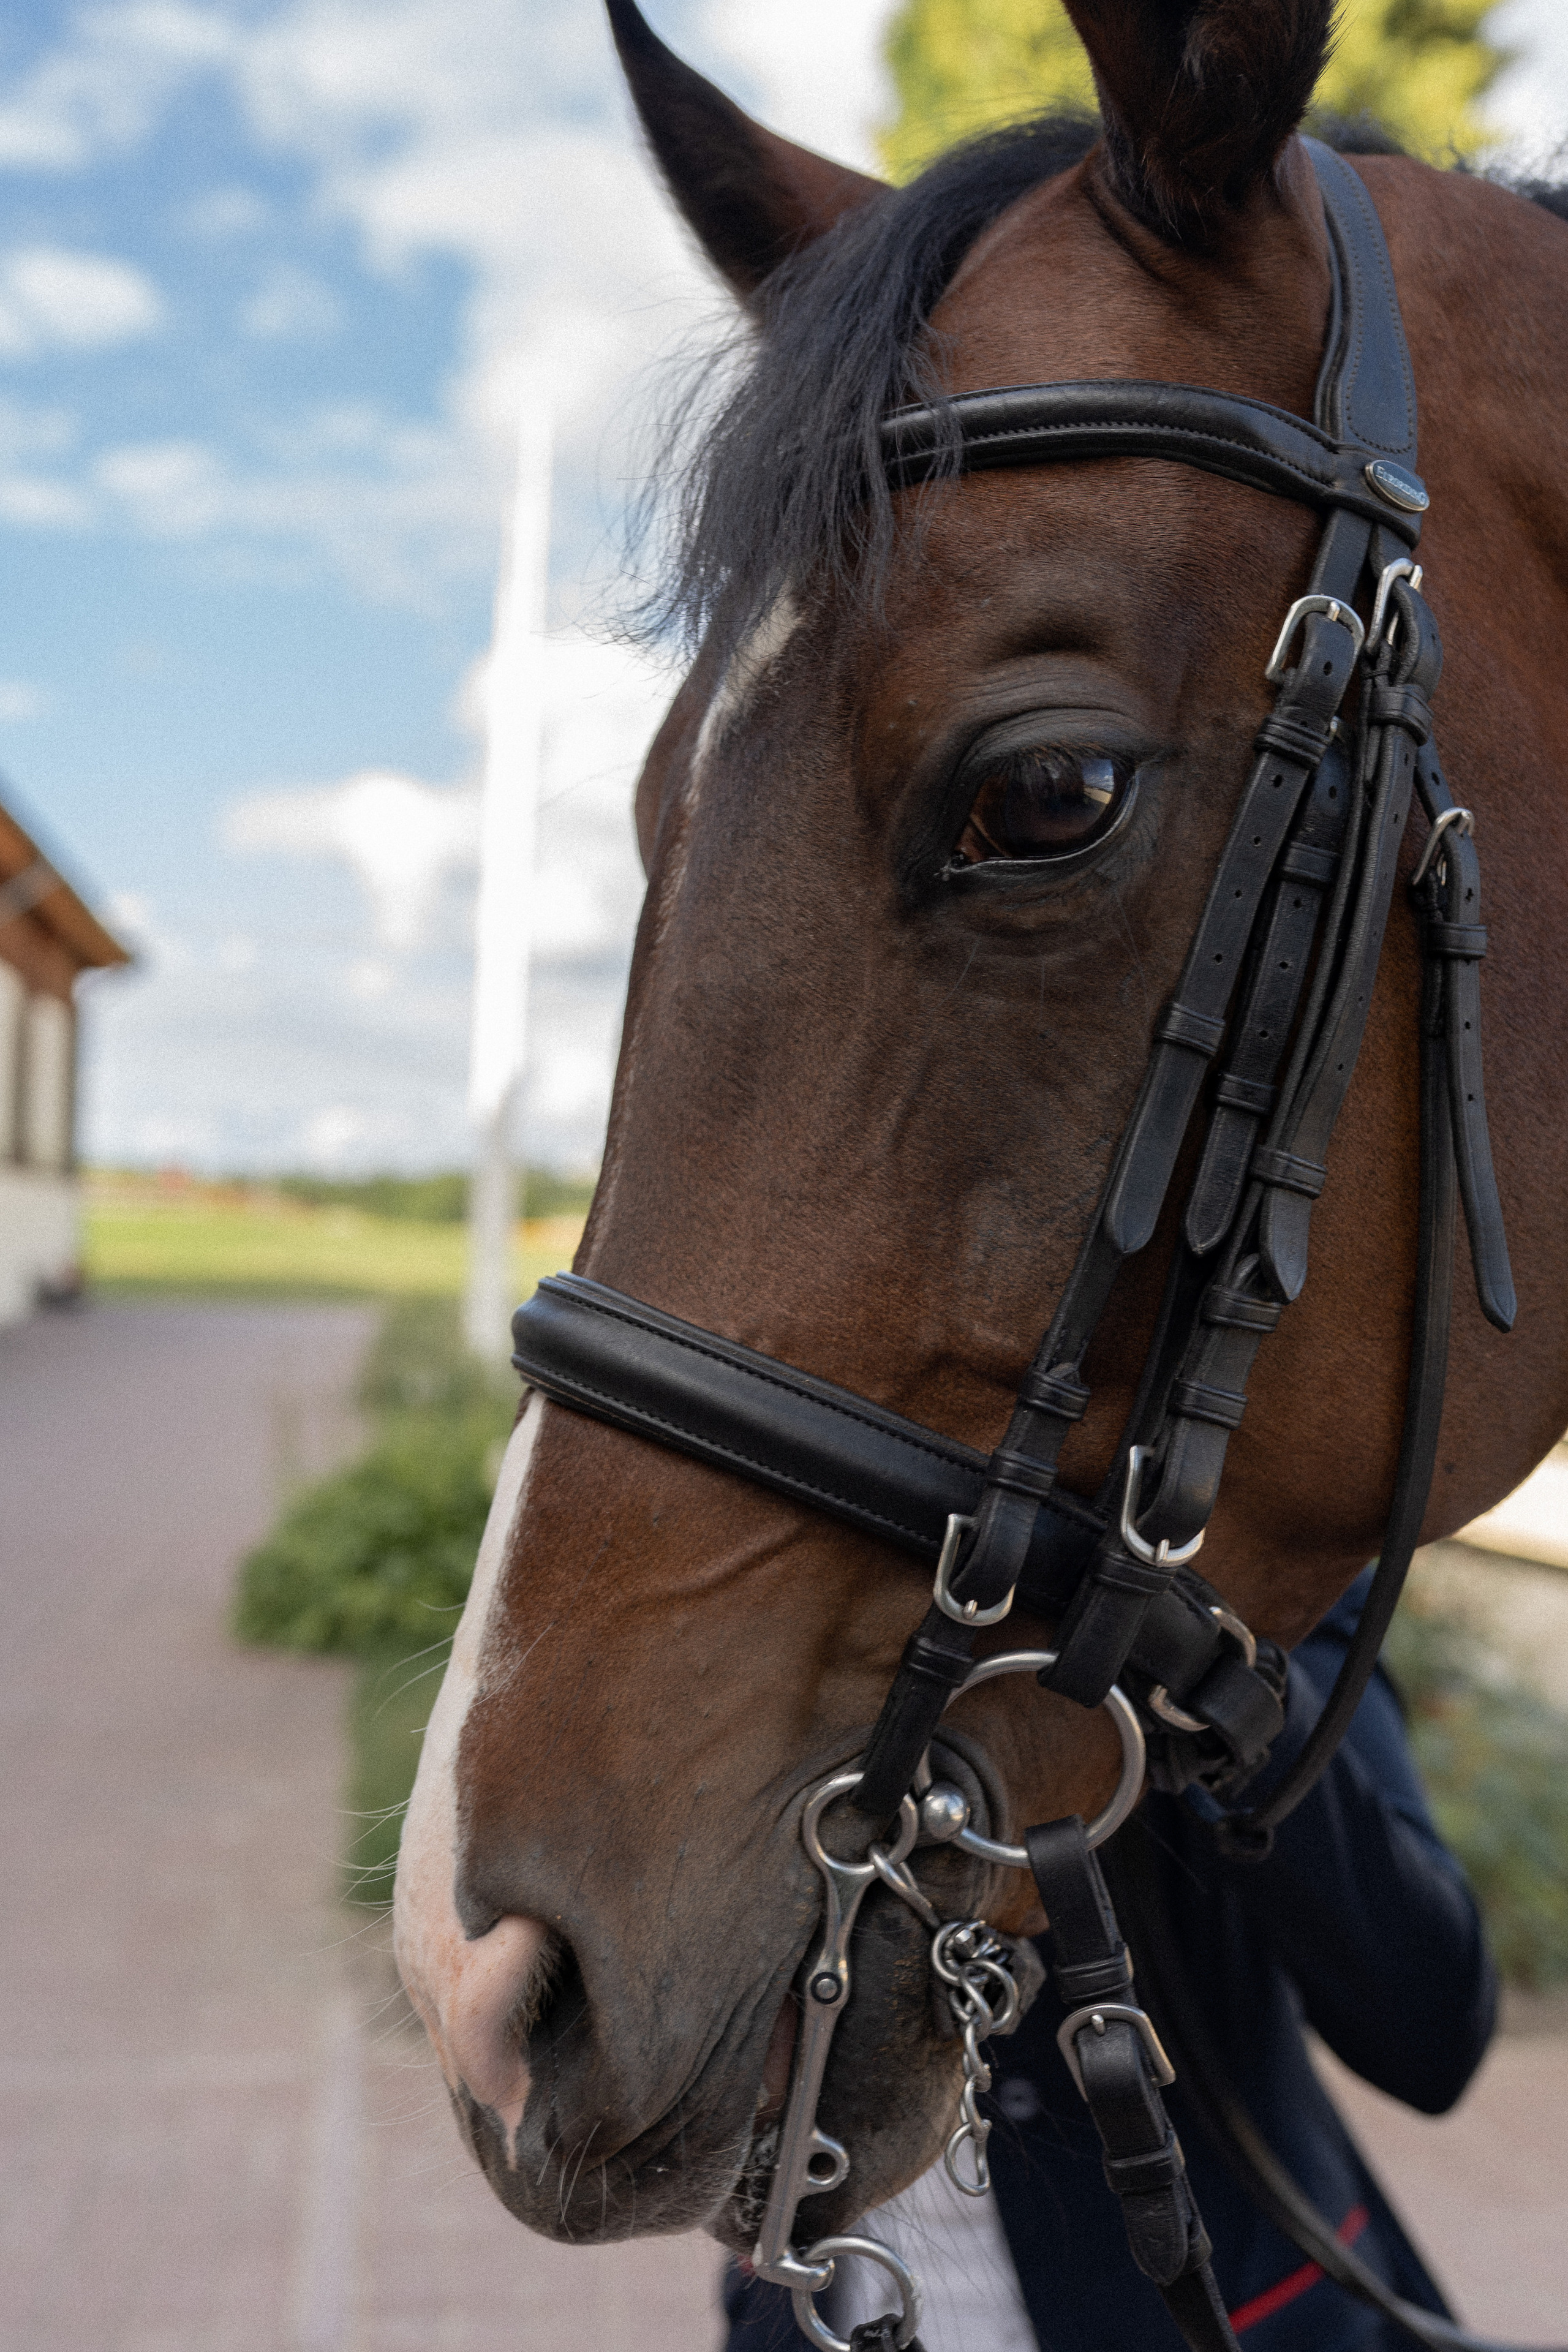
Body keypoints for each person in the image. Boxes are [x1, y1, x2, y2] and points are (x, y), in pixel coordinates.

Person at [723, 1568, 1496, 2349]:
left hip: (1230, 2310)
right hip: (823, 2305)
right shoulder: (764, 1563)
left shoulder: (1287, 1566)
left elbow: (1430, 2032)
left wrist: (1217, 1664)